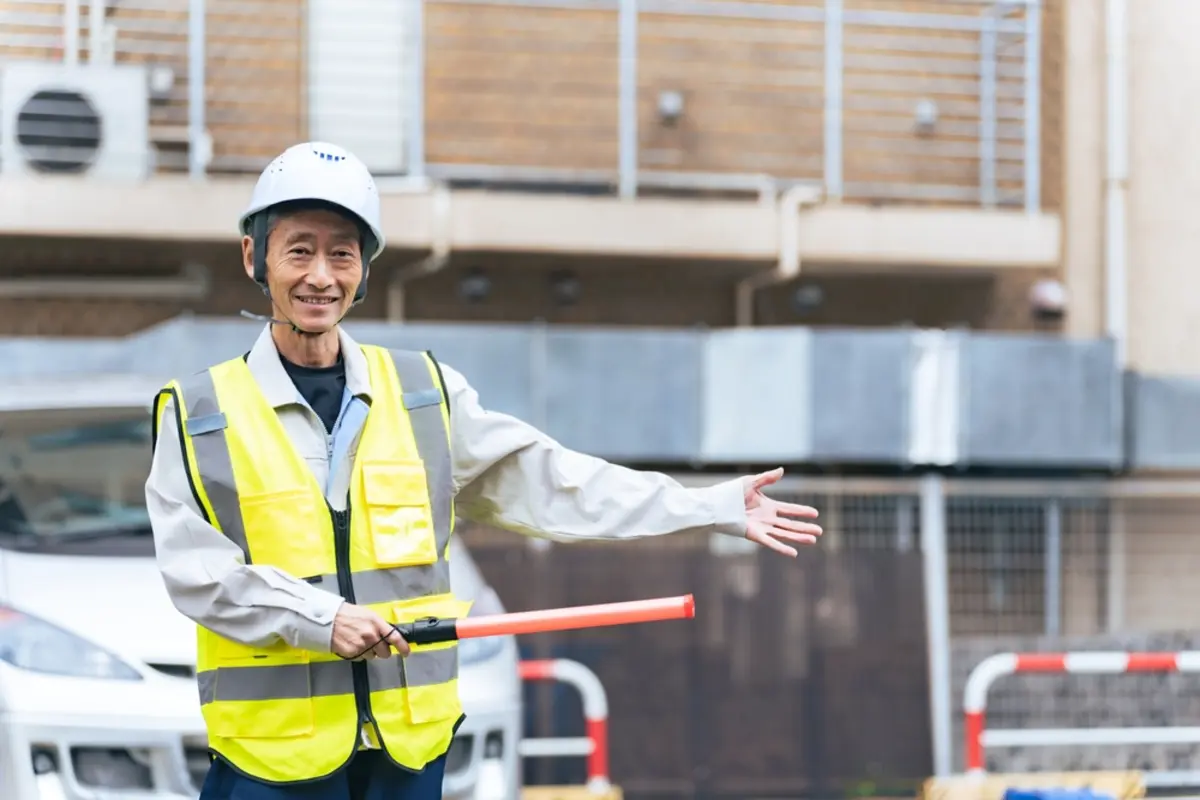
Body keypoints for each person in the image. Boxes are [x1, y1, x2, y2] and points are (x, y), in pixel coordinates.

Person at [145, 141, 823, 800]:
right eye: (299, 250)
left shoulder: (423, 395)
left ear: (364, 269)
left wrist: (706, 507)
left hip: (408, 758)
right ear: (253, 257)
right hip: (272, 760)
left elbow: (557, 484)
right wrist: (322, 618)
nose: (321, 276)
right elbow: (198, 574)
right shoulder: (199, 412)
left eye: (342, 254)